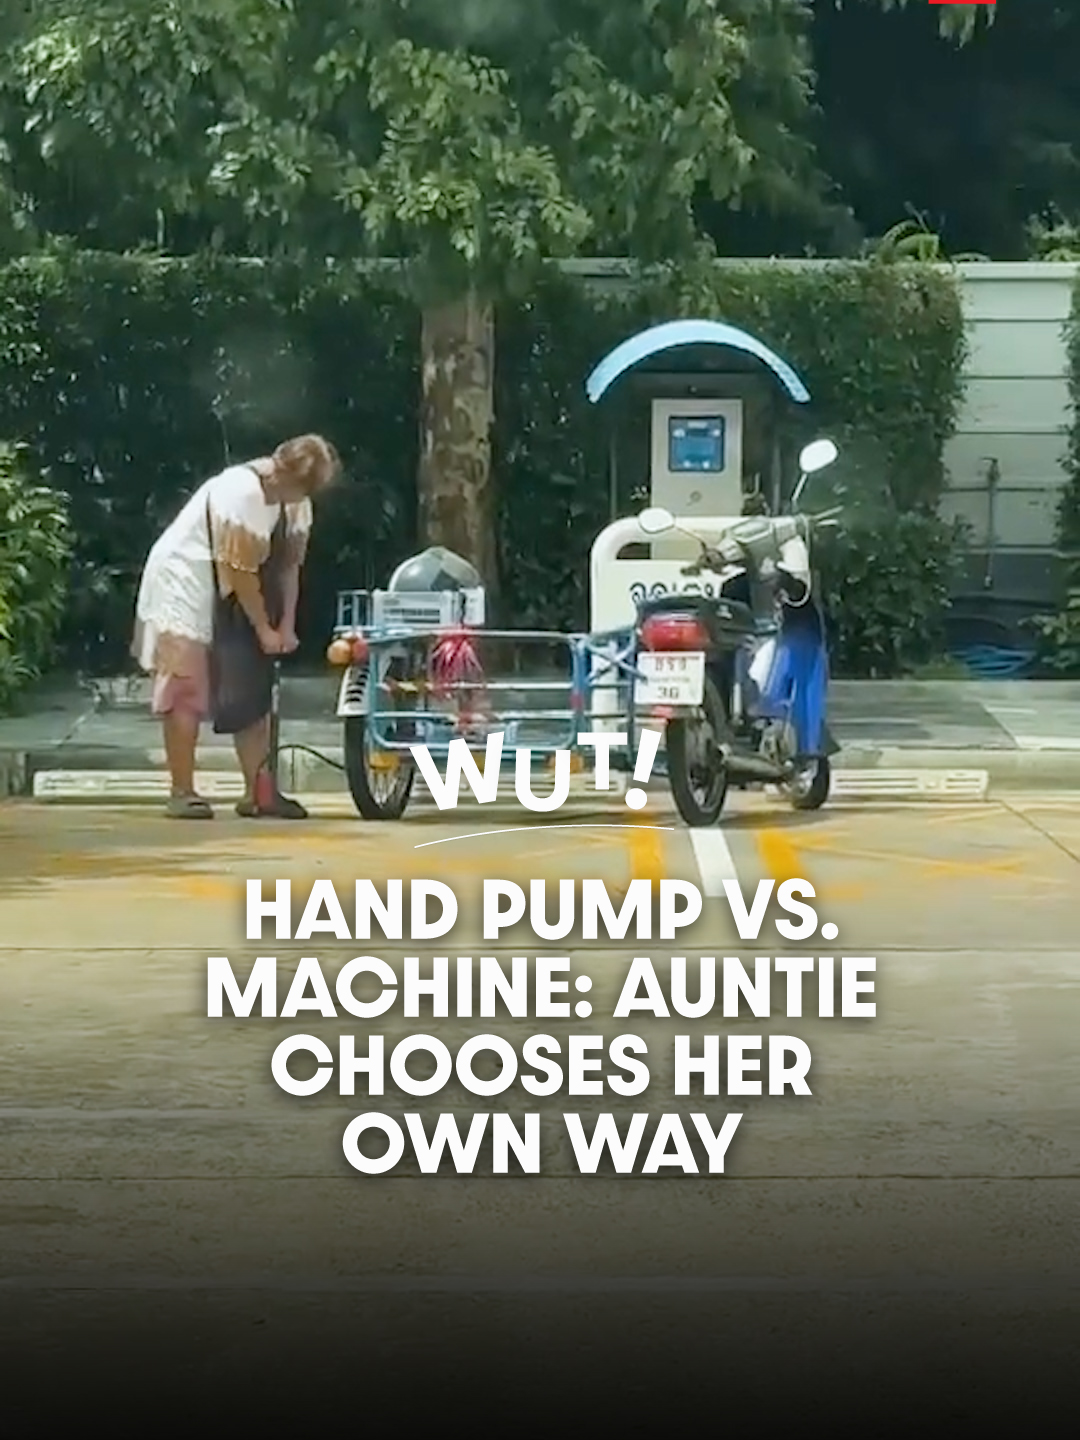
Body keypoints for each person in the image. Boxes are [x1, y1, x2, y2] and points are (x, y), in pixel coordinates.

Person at [132, 434, 341, 819]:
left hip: (236, 587)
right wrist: (263, 628)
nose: (293, 493)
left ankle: (258, 792)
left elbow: (288, 568)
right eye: (292, 484)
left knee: (252, 680)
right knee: (186, 680)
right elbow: (238, 569)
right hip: (186, 579)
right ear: (279, 467)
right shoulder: (240, 491)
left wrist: (286, 625)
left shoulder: (297, 507)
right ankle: (183, 791)